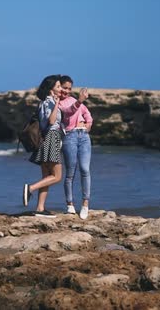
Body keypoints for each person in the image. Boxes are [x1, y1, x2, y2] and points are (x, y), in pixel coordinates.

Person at [22, 74, 63, 218]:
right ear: (50, 89)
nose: (61, 89)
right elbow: (51, 122)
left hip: (46, 139)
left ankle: (40, 208)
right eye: (58, 86)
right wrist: (57, 103)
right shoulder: (49, 102)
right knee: (57, 176)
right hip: (51, 138)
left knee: (46, 176)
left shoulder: (46, 102)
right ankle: (30, 188)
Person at [59, 75, 93, 219]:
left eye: (69, 88)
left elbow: (87, 114)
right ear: (58, 87)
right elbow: (68, 112)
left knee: (85, 170)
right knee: (70, 173)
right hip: (70, 137)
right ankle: (70, 204)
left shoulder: (74, 100)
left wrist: (88, 125)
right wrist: (80, 100)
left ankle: (85, 204)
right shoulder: (58, 103)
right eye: (64, 88)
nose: (66, 91)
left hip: (84, 137)